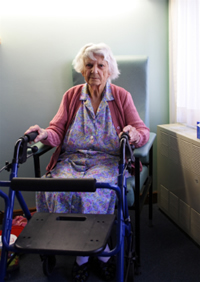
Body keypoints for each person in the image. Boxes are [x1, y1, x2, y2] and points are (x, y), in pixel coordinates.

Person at [25, 43, 150, 282]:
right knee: (55, 189)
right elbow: (56, 131)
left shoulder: (121, 96)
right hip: (71, 160)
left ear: (109, 70)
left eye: (101, 65)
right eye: (89, 65)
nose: (95, 70)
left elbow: (142, 131)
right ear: (82, 69)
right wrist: (42, 134)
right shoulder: (71, 96)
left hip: (107, 161)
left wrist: (133, 134)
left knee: (90, 193)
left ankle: (83, 259)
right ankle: (99, 254)